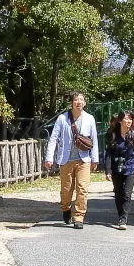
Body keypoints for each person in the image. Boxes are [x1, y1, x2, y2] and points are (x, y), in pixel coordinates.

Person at [43, 91, 99, 229]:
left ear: (85, 103)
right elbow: (54, 138)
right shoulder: (63, 118)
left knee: (82, 188)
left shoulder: (90, 118)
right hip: (66, 159)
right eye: (75, 100)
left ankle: (79, 217)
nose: (78, 102)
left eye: (81, 99)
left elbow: (94, 140)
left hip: (83, 159)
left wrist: (95, 159)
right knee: (66, 190)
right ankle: (66, 208)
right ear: (71, 103)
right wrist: (49, 158)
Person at [104, 110, 134, 229]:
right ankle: (120, 214)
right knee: (118, 193)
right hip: (117, 167)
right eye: (126, 118)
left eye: (130, 119)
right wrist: (108, 171)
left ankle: (123, 218)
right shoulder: (112, 134)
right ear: (120, 120)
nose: (128, 121)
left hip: (131, 167)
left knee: (127, 194)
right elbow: (109, 154)